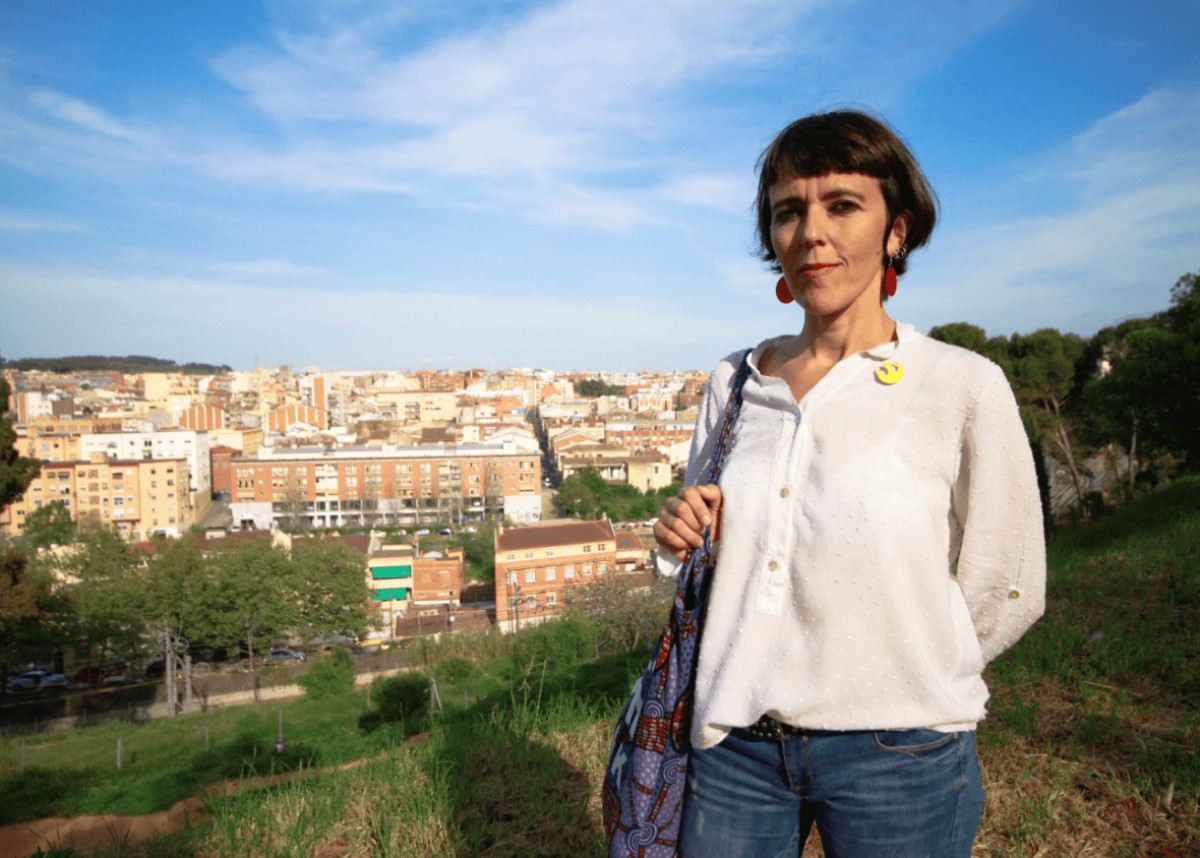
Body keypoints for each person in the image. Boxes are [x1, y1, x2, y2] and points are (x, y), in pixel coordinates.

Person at [653, 110, 1046, 857]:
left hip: (897, 754)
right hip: (736, 745)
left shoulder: (961, 384)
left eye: (842, 205)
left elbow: (1011, 578)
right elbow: (700, 543)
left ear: (896, 230)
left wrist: (920, 669)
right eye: (788, 212)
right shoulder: (734, 382)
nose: (811, 233)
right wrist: (679, 531)